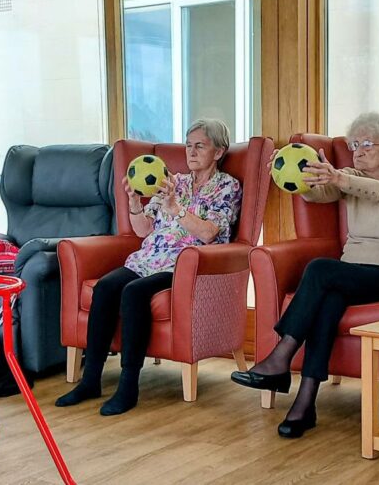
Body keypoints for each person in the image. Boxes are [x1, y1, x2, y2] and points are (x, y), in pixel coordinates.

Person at [231, 112, 379, 438]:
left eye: (367, 144)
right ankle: (305, 403)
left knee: (320, 268)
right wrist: (298, 174)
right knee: (328, 303)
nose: (358, 151)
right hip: (352, 275)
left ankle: (281, 356)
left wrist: (339, 179)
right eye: (354, 145)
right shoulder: (349, 176)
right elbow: (318, 194)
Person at [55, 119, 242, 416]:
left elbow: (209, 233)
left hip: (185, 265)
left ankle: (128, 385)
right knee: (105, 287)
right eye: (188, 145)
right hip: (149, 258)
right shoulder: (172, 181)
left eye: (200, 146)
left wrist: (176, 209)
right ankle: (90, 381)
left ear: (218, 152)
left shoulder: (227, 187)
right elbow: (143, 230)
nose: (191, 152)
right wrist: (134, 202)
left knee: (134, 293)